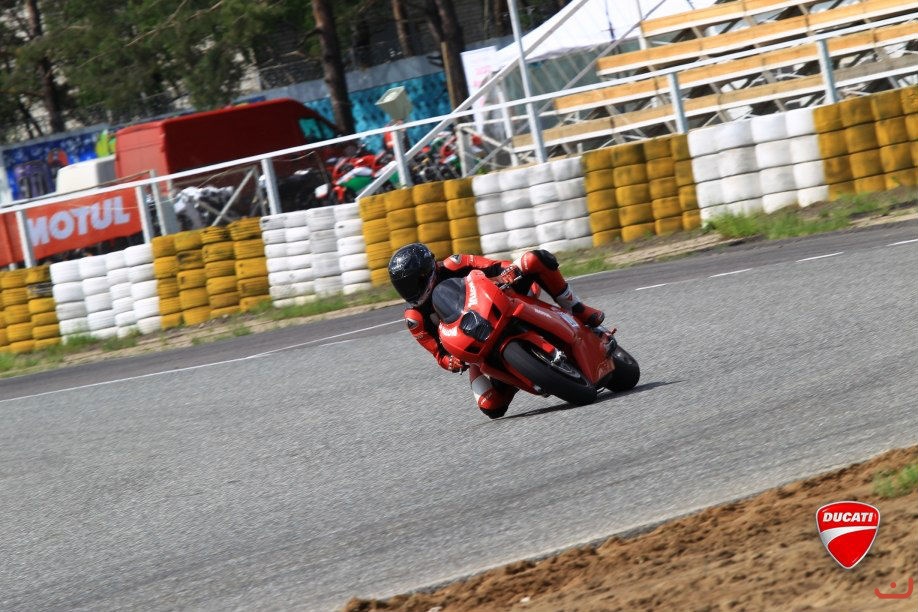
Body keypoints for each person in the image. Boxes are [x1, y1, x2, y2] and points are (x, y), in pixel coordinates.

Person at [388, 242, 608, 417]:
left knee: (534, 259)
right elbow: (439, 354)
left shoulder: (455, 264)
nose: (410, 291)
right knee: (490, 406)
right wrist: (452, 362)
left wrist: (505, 273)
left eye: (413, 283)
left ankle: (578, 309)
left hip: (503, 299)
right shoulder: (415, 318)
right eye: (403, 287)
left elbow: (494, 266)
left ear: (426, 271)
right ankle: (519, 374)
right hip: (477, 342)